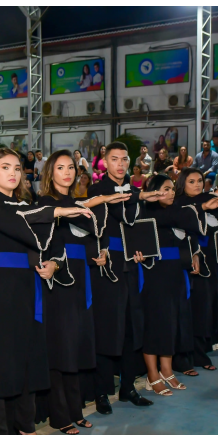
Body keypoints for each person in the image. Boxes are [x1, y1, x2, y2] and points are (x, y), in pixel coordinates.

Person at [0, 148, 91, 435]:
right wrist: (58, 211)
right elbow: (19, 224)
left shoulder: (28, 205)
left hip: (29, 284)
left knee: (29, 359)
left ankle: (26, 426)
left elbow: (49, 244)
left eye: (17, 168)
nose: (13, 172)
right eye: (4, 167)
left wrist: (53, 264)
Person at [37, 150, 125, 434]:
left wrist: (99, 253)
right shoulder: (45, 203)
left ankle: (75, 409)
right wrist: (55, 264)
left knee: (75, 347)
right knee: (59, 348)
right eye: (60, 167)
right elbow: (48, 244)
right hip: (58, 281)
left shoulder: (78, 203)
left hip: (82, 281)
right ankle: (59, 415)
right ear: (50, 173)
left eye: (71, 167)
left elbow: (91, 237)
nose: (67, 172)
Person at [86, 142, 168, 414]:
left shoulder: (135, 192)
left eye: (124, 159)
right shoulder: (97, 191)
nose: (120, 164)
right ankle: (101, 391)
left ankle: (128, 388)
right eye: (114, 159)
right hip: (107, 269)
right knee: (107, 329)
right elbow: (98, 226)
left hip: (132, 267)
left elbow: (140, 228)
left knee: (132, 329)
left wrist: (143, 251)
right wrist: (140, 195)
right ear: (105, 162)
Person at [174, 168, 218, 369]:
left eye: (199, 180)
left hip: (213, 263)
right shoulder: (179, 203)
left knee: (209, 308)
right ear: (182, 183)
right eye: (191, 181)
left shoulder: (209, 201)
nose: (197, 184)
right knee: (196, 309)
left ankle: (202, 350)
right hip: (192, 263)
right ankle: (190, 356)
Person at [140, 174, 205, 394]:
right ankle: (152, 374)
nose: (170, 193)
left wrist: (194, 253)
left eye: (172, 189)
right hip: (154, 273)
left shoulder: (178, 211)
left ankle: (166, 370)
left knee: (171, 322)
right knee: (155, 323)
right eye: (165, 189)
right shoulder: (146, 212)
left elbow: (192, 235)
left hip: (176, 272)